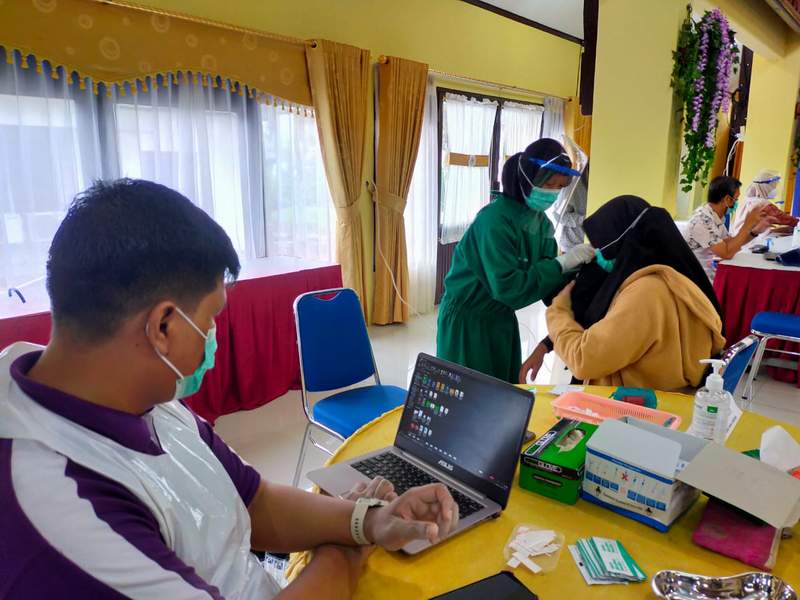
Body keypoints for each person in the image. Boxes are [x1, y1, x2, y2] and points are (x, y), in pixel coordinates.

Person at [0, 180, 458, 599]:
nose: (213, 335)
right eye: (210, 317)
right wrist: (345, 549)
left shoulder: (135, 395)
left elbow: (254, 501)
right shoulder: (59, 507)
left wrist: (369, 520)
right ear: (163, 326)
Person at [436, 138, 594, 383]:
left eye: (559, 186)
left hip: (501, 320)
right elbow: (509, 288)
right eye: (548, 184)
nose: (553, 192)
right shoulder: (493, 221)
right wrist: (561, 264)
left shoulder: (542, 224)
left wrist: (584, 282)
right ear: (528, 178)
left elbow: (548, 285)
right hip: (467, 321)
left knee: (503, 390)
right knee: (467, 393)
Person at [542, 195, 726, 391]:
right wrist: (546, 344)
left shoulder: (647, 293)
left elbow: (584, 360)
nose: (598, 254)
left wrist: (558, 311)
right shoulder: (675, 277)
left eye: (602, 247)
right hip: (663, 394)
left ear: (625, 245)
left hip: (630, 403)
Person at [683, 175, 768, 280]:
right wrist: (747, 223)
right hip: (694, 278)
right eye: (736, 199)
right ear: (727, 199)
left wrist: (755, 232)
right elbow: (726, 253)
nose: (736, 203)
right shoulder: (702, 221)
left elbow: (730, 243)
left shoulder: (714, 217)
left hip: (706, 272)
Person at [730, 169, 796, 235]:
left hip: (738, 236)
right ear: (764, 187)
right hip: (750, 238)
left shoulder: (746, 200)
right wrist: (797, 222)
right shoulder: (763, 204)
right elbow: (785, 219)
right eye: (773, 187)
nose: (774, 190)